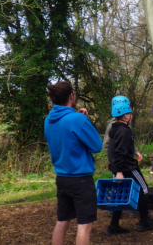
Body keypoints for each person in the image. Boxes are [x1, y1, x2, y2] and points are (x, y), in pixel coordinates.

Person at [44, 81, 103, 245]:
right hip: (81, 180)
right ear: (71, 96)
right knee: (84, 226)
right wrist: (83, 120)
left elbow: (65, 136)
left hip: (62, 178)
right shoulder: (77, 119)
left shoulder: (49, 119)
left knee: (62, 221)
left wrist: (79, 117)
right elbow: (97, 146)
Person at [106, 96, 153, 235]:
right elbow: (120, 153)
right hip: (127, 168)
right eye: (129, 113)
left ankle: (113, 225)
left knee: (120, 195)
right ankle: (144, 221)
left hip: (119, 168)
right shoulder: (123, 131)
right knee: (144, 190)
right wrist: (120, 171)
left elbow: (114, 152)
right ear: (125, 116)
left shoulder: (116, 129)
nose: (131, 115)